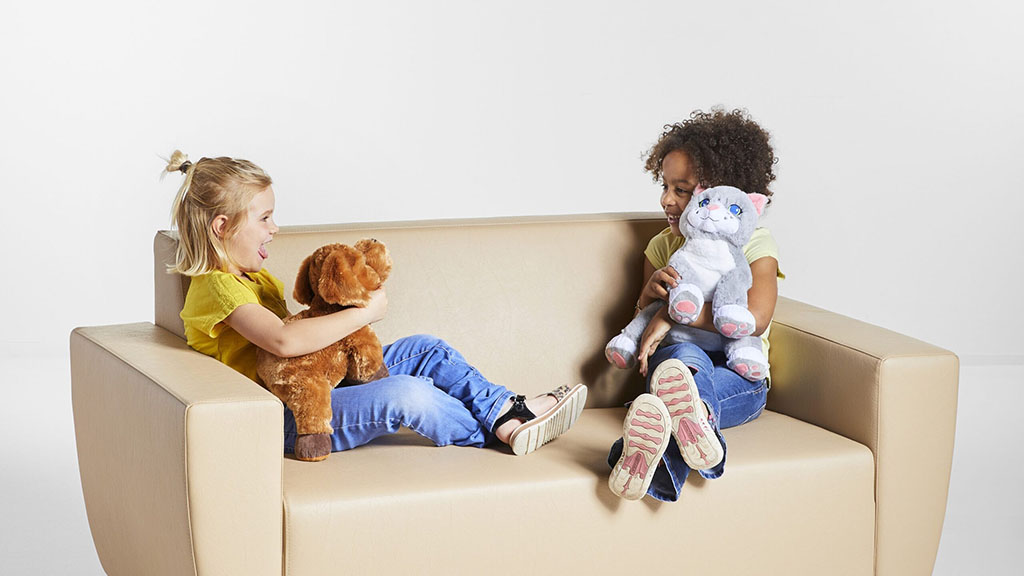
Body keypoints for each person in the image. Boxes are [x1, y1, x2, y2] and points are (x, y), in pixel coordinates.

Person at [163, 150, 586, 461]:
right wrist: (364, 313)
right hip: (292, 416)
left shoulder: (253, 278)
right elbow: (282, 340)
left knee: (425, 348)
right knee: (406, 394)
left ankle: (506, 411)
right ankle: (495, 433)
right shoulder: (216, 288)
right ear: (223, 226)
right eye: (265, 218)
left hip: (321, 380)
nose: (275, 228)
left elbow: (305, 327)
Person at [607, 109, 783, 501]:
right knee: (680, 360)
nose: (667, 200)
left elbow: (754, 320)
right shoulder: (661, 246)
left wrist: (674, 313)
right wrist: (651, 296)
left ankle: (643, 451)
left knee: (686, 388)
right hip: (678, 363)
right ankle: (692, 422)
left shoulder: (757, 246)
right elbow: (644, 327)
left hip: (739, 375)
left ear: (720, 197)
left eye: (682, 190)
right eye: (665, 186)